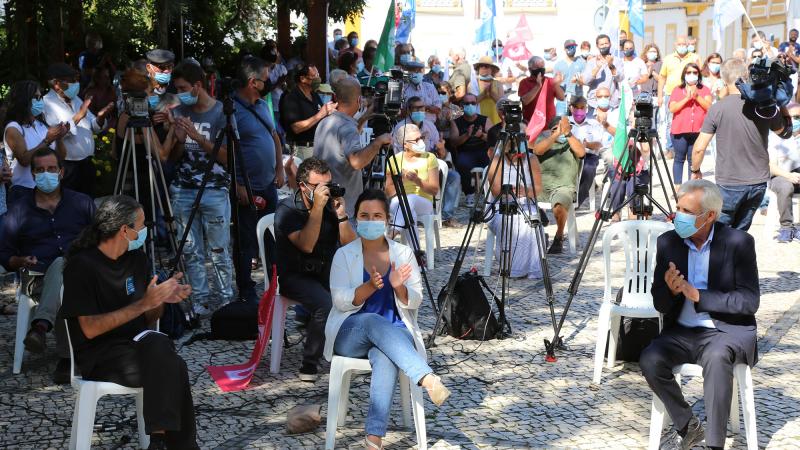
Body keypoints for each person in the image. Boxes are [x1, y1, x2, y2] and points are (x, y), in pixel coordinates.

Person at [60, 195, 198, 450]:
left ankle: (158, 441)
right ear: (125, 230)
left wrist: (161, 300)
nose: (145, 231)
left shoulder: (137, 260)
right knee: (173, 366)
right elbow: (89, 330)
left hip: (139, 345)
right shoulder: (82, 267)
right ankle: (167, 442)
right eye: (141, 225)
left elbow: (150, 318)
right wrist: (143, 303)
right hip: (100, 355)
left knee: (160, 345)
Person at [326, 189, 451, 450]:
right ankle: (426, 378)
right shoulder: (343, 255)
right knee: (371, 320)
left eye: (377, 215)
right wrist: (369, 287)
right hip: (351, 332)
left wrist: (398, 287)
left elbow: (416, 300)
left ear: (386, 220)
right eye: (364, 215)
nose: (370, 220)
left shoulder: (403, 254)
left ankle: (373, 439)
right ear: (356, 218)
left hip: (397, 333)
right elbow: (339, 301)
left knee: (384, 356)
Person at [642, 180, 759, 450]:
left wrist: (699, 296)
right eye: (677, 208)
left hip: (725, 331)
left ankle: (715, 445)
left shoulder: (738, 242)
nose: (677, 216)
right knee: (649, 357)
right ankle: (689, 426)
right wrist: (671, 292)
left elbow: (749, 301)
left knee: (717, 357)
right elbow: (659, 303)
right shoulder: (668, 242)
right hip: (682, 332)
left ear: (710, 216)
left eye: (686, 211)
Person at [0, 148, 95, 383]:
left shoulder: (81, 203)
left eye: (51, 169)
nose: (46, 174)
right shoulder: (19, 210)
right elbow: (4, 255)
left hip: (86, 275)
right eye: (40, 170)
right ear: (32, 174)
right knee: (63, 271)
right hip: (38, 279)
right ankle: (68, 357)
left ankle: (42, 327)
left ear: (61, 172)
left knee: (68, 269)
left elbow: (102, 239)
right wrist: (20, 261)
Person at [160, 61, 233, 316]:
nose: (179, 93)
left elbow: (227, 158)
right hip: (183, 188)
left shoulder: (222, 113)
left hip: (214, 188)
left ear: (198, 86)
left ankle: (225, 301)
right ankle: (199, 300)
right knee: (190, 249)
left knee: (219, 250)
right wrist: (178, 139)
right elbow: (172, 156)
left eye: (183, 87)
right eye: (177, 88)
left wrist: (198, 137)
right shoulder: (180, 111)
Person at [275, 158, 356, 380]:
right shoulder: (287, 210)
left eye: (328, 184)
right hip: (295, 274)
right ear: (303, 186)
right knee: (325, 304)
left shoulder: (330, 205)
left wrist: (341, 216)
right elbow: (306, 244)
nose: (325, 191)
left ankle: (348, 351)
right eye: (319, 187)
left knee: (360, 291)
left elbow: (352, 247)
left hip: (325, 271)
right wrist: (318, 208)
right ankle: (309, 364)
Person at [690, 58, 791, 231]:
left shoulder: (718, 108)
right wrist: (781, 103)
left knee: (720, 235)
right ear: (745, 76)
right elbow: (785, 132)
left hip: (729, 183)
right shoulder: (765, 105)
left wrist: (695, 170)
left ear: (723, 79)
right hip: (758, 183)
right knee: (739, 234)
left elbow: (699, 147)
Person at [233, 56, 286, 303]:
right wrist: (238, 183)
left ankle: (275, 280)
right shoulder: (232, 109)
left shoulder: (262, 105)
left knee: (272, 234)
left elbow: (274, 136)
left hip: (268, 183)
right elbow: (228, 150)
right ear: (253, 82)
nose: (270, 83)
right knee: (245, 240)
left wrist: (279, 169)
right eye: (266, 79)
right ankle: (246, 288)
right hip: (247, 186)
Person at [314, 77, 392, 217]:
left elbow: (347, 135)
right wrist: (378, 142)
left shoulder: (326, 121)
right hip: (344, 208)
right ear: (358, 100)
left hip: (326, 201)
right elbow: (356, 162)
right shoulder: (346, 127)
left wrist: (364, 117)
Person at [43, 63, 114, 197]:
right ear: (57, 84)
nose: (76, 84)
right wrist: (79, 116)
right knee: (69, 204)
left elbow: (92, 126)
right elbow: (56, 133)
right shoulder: (47, 103)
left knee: (87, 202)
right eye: (72, 80)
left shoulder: (76, 99)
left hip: (86, 163)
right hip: (67, 166)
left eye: (77, 80)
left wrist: (100, 117)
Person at [486, 136, 544, 279]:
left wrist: (525, 191)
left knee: (532, 222)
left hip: (526, 204)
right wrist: (509, 191)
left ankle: (531, 268)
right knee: (509, 222)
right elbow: (495, 190)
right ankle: (512, 268)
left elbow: (538, 188)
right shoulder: (497, 160)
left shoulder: (532, 160)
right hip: (502, 205)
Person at [3, 80, 68, 204]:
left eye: (40, 97)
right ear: (24, 100)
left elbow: (61, 157)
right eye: (36, 97)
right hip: (24, 191)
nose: (40, 101)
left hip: (47, 191)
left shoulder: (41, 125)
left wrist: (59, 137)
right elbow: (24, 160)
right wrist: (48, 139)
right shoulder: (14, 128)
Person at [531, 116, 585, 254]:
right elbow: (537, 151)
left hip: (563, 187)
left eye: (566, 128)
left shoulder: (573, 142)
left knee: (559, 204)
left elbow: (581, 152)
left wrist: (567, 133)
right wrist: (556, 134)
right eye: (557, 128)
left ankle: (559, 236)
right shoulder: (545, 141)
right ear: (551, 131)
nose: (562, 131)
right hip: (540, 188)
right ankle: (532, 237)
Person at [385, 123, 440, 238]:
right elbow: (388, 192)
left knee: (410, 199)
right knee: (410, 213)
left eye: (421, 138)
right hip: (399, 202)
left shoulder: (429, 157)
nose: (421, 142)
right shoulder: (394, 160)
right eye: (416, 140)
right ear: (405, 144)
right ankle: (416, 253)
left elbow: (434, 190)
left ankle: (391, 234)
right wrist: (401, 180)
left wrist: (417, 180)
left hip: (424, 202)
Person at [280, 64, 336, 160]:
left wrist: (330, 111)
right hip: (301, 150)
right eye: (314, 76)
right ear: (303, 79)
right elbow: (296, 127)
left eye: (318, 74)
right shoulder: (291, 98)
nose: (318, 78)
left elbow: (322, 113)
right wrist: (320, 115)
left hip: (316, 147)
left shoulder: (314, 94)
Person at [668, 63, 711, 186]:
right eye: (688, 72)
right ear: (684, 75)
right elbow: (672, 108)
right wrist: (687, 98)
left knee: (693, 161)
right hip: (680, 130)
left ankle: (690, 187)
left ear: (698, 74)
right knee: (679, 159)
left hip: (698, 130)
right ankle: (678, 188)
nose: (691, 75)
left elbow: (709, 107)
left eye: (694, 72)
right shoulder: (677, 89)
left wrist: (697, 97)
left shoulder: (704, 90)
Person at [658, 36, 701, 155]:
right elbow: (662, 77)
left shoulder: (694, 58)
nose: (682, 46)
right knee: (670, 122)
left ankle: (688, 147)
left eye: (684, 44)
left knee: (688, 120)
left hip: (689, 93)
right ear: (675, 44)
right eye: (680, 44)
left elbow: (699, 75)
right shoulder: (668, 59)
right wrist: (660, 95)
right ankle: (671, 148)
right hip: (671, 94)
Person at [449, 93, 490, 207]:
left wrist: (481, 135)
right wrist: (467, 134)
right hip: (465, 152)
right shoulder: (456, 121)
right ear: (462, 105)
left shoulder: (484, 119)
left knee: (493, 164)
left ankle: (490, 194)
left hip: (483, 152)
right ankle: (469, 194)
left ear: (476, 104)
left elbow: (493, 139)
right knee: (462, 163)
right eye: (467, 103)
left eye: (473, 103)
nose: (470, 105)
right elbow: (453, 142)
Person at [767, 103, 800, 242]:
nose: (795, 120)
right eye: (793, 117)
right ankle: (786, 227)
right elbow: (771, 167)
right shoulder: (774, 138)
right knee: (786, 186)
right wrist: (789, 176)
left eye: (798, 117)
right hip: (779, 176)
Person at [569, 96, 605, 207]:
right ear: (571, 108)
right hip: (569, 155)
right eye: (576, 107)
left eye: (582, 107)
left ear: (586, 108)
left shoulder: (594, 124)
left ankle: (575, 203)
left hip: (589, 156)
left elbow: (598, 144)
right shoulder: (565, 122)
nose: (579, 110)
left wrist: (587, 145)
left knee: (589, 169)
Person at [582, 34, 625, 114]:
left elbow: (620, 78)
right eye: (601, 44)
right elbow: (585, 81)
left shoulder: (617, 61)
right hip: (594, 104)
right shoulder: (592, 62)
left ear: (610, 44)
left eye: (606, 43)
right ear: (597, 46)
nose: (604, 46)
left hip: (611, 104)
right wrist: (597, 67)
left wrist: (611, 66)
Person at [519, 56, 564, 125]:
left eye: (542, 67)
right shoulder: (524, 82)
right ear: (530, 69)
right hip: (531, 125)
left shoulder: (550, 81)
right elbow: (525, 101)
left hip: (549, 125)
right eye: (537, 67)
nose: (540, 70)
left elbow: (561, 97)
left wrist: (556, 84)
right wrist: (538, 86)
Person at [553, 39, 587, 116]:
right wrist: (557, 82)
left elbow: (585, 81)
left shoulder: (581, 63)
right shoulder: (558, 65)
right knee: (561, 123)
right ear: (564, 49)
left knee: (576, 123)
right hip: (562, 100)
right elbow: (554, 84)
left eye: (573, 47)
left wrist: (578, 81)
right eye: (569, 47)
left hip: (577, 99)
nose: (571, 49)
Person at [471, 56, 504, 127]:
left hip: (495, 120)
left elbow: (502, 104)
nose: (483, 68)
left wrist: (492, 93)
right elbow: (470, 103)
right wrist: (484, 94)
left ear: (492, 70)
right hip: (479, 121)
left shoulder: (498, 84)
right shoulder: (473, 83)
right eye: (481, 66)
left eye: (486, 66)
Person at [640, 44, 665, 130]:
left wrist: (653, 73)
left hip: (656, 96)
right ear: (646, 53)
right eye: (650, 51)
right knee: (645, 122)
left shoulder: (661, 64)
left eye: (654, 52)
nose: (652, 53)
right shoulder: (641, 64)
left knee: (657, 122)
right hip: (644, 97)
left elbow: (662, 80)